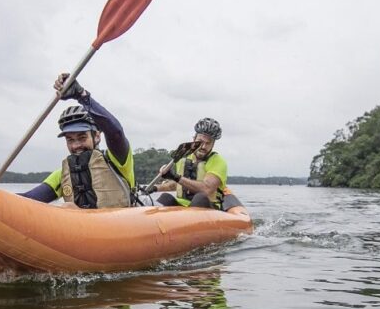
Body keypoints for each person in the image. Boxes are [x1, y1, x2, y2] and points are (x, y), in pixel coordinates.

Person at [19, 74, 137, 208]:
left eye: (82, 137)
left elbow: (115, 133)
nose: (76, 145)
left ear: (97, 136)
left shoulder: (117, 159)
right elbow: (29, 199)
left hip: (122, 225)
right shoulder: (62, 174)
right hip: (80, 227)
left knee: (66, 208)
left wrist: (81, 95)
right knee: (64, 208)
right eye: (70, 140)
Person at [156, 117, 228, 209]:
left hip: (209, 208)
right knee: (165, 198)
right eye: (200, 142)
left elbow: (206, 189)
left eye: (208, 143)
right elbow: (178, 184)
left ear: (213, 144)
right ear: (194, 139)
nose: (203, 146)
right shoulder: (183, 158)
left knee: (200, 198)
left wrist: (175, 177)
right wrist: (156, 188)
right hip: (183, 206)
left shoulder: (218, 162)